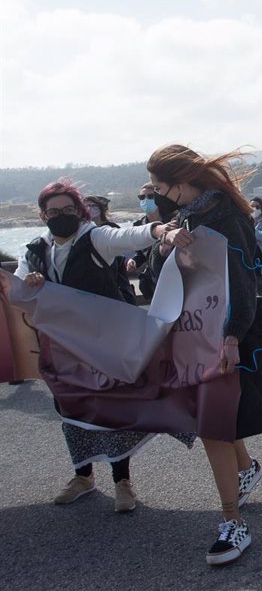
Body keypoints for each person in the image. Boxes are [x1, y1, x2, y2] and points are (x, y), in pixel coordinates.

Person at [145, 145, 262, 564]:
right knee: (214, 420)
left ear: (181, 184)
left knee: (212, 426)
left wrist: (233, 337)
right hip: (193, 335)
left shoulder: (227, 219)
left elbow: (244, 280)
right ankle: (246, 470)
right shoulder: (188, 217)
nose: (155, 195)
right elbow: (161, 273)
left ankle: (233, 521)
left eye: (159, 187)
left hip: (221, 338)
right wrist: (163, 242)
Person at [10, 179, 166, 512]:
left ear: (80, 212)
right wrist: (30, 283)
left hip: (102, 342)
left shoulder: (94, 238)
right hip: (61, 346)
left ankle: (122, 480)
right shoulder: (36, 250)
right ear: (43, 215)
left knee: (110, 408)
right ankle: (83, 476)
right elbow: (17, 290)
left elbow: (125, 237)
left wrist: (156, 231)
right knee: (70, 408)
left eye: (68, 210)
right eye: (53, 212)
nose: (60, 216)